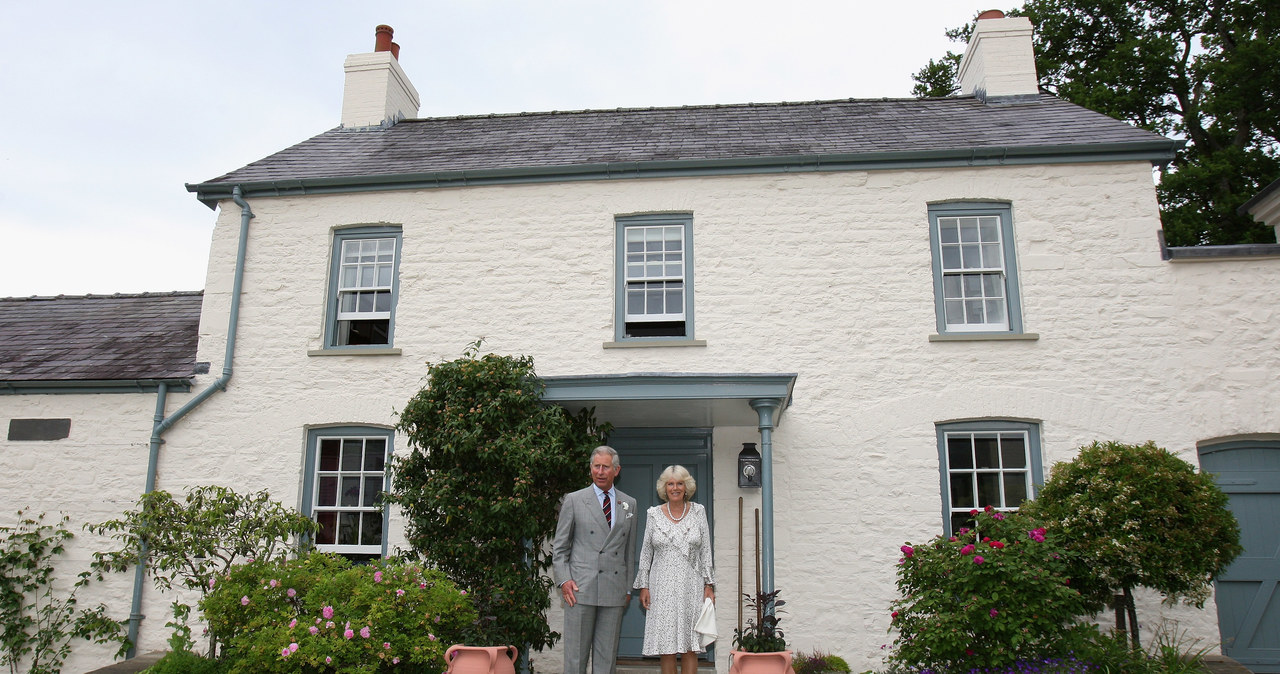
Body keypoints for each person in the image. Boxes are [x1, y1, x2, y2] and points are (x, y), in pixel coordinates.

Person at [553, 446, 638, 674]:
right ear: (591, 468)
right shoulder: (574, 500)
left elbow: (629, 551)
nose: (600, 472)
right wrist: (564, 581)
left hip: (614, 589)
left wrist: (627, 588)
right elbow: (560, 548)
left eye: (606, 467)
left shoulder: (630, 503)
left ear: (616, 470)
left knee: (606, 659)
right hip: (580, 589)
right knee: (575, 658)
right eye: (596, 466)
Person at [634, 465, 715, 674]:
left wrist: (709, 585)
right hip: (662, 587)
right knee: (667, 648)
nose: (675, 488)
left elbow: (706, 550)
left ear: (687, 486)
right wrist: (643, 586)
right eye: (670, 483)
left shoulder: (699, 512)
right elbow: (645, 553)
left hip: (692, 586)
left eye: (680, 483)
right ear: (664, 488)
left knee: (690, 647)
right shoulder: (653, 515)